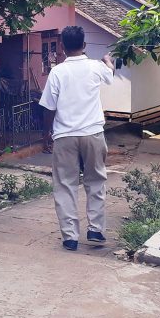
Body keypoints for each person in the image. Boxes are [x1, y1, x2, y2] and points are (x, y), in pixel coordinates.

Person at [39, 25, 115, 251]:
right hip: (93, 133)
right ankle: (95, 230)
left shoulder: (57, 72)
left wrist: (46, 133)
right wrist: (108, 61)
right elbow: (110, 74)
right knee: (96, 181)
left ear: (61, 46)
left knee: (65, 185)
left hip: (65, 136)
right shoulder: (96, 67)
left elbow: (49, 108)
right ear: (84, 45)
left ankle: (70, 237)